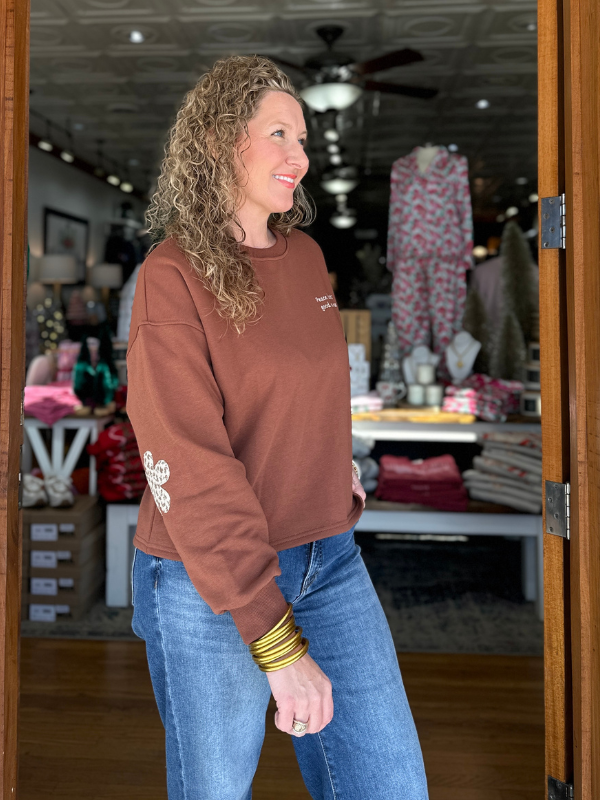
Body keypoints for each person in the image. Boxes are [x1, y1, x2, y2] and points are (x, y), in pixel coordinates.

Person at [127, 54, 429, 800]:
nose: (300, 156)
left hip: (330, 556)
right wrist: (275, 638)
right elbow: (186, 455)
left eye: (303, 138)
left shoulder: (307, 258)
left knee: (391, 784)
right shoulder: (172, 273)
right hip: (211, 580)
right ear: (219, 140)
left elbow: (305, 390)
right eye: (278, 134)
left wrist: (328, 461)